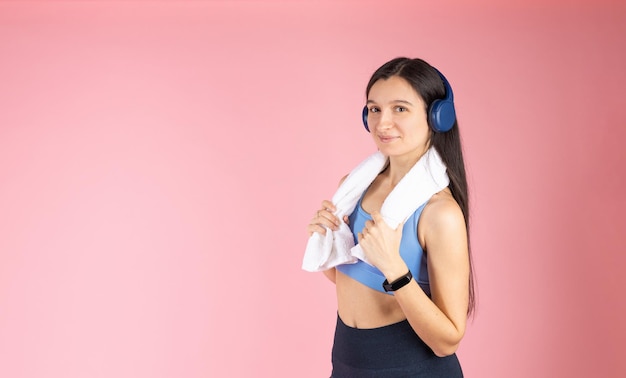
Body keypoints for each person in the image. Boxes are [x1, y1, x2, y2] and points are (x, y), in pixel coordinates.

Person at [306, 57, 476, 377]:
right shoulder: (354, 188)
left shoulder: (440, 212)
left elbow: (447, 341)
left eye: (400, 109)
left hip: (412, 367)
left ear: (437, 117)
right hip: (346, 360)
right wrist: (328, 243)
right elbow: (353, 280)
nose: (383, 123)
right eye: (374, 109)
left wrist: (394, 268)